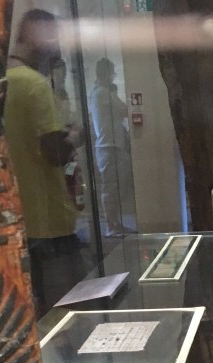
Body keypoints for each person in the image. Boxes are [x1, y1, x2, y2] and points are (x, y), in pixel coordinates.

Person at [4, 9, 87, 313]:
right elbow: (55, 153)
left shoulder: (1, 81)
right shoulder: (35, 85)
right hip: (48, 221)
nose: (58, 51)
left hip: (19, 217)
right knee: (66, 313)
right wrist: (75, 137)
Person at [89, 57, 135, 237]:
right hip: (109, 147)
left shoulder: (100, 92)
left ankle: (115, 223)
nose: (113, 77)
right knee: (110, 188)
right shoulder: (102, 93)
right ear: (106, 73)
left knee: (115, 187)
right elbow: (125, 110)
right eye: (112, 73)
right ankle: (111, 225)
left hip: (111, 147)